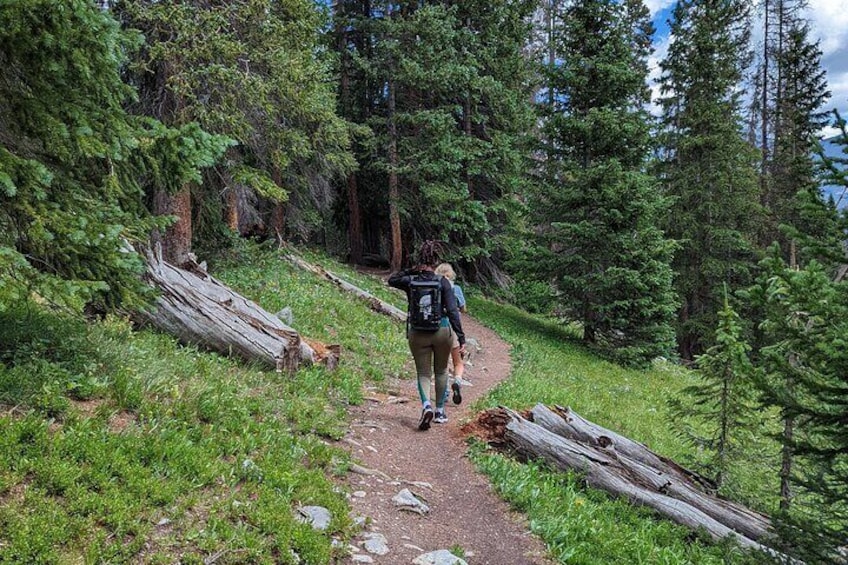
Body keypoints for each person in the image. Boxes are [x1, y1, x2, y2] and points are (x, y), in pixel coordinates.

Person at [388, 242, 466, 430]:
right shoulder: (443, 282)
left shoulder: (411, 281)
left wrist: (412, 270)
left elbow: (393, 279)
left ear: (420, 260)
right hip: (442, 331)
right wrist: (461, 337)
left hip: (418, 332)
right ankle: (440, 411)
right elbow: (453, 311)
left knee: (423, 373)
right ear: (437, 261)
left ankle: (426, 406)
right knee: (440, 371)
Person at [435, 262, 467, 403]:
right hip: (453, 328)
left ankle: (445, 391)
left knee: (443, 364)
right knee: (458, 362)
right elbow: (463, 308)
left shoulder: (435, 286)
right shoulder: (456, 288)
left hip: (437, 328)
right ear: (451, 274)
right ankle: (458, 381)